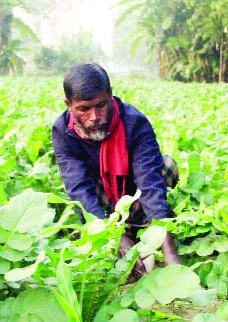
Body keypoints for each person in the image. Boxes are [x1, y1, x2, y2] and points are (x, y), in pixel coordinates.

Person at [52, 63, 181, 278]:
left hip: (132, 193)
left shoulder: (134, 124)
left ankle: (139, 226)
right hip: (100, 199)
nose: (94, 117)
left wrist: (168, 248)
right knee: (74, 199)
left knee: (167, 166)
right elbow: (78, 187)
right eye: (84, 109)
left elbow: (149, 183)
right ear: (69, 105)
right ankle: (119, 230)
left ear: (110, 96)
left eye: (101, 105)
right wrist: (113, 235)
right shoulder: (63, 131)